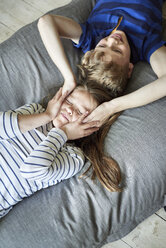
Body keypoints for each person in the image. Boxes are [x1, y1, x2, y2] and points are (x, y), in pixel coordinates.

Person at [0, 82, 121, 218]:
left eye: (80, 112)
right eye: (69, 101)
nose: (70, 110)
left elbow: (30, 170)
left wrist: (63, 133)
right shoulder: (34, 111)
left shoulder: (73, 156)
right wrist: (47, 115)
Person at [37, 0, 166, 125]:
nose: (112, 40)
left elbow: (46, 22)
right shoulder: (147, 44)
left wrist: (68, 77)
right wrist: (111, 107)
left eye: (102, 46)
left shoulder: (91, 37)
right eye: (117, 51)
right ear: (129, 69)